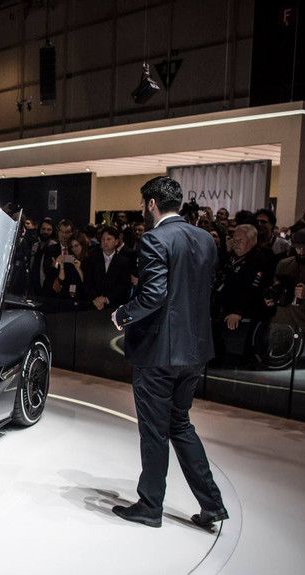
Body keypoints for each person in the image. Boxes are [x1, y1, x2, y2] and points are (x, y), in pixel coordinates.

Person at [110, 176, 227, 530]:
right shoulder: (205, 239)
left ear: (151, 204)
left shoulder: (154, 239)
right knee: (180, 425)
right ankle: (212, 504)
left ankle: (150, 506)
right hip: (194, 351)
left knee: (154, 431)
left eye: (142, 204)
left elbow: (154, 295)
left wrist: (122, 314)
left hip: (159, 353)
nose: (142, 210)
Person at [265, 228, 305, 329]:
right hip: (279, 322)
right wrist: (272, 298)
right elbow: (274, 290)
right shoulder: (283, 264)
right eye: (298, 248)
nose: (301, 252)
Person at [83, 226, 133, 310]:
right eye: (103, 239)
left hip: (114, 305)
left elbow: (124, 286)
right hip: (93, 305)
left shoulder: (124, 262)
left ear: (116, 242)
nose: (105, 242)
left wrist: (106, 299)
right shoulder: (92, 259)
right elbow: (87, 282)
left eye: (108, 239)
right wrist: (95, 299)